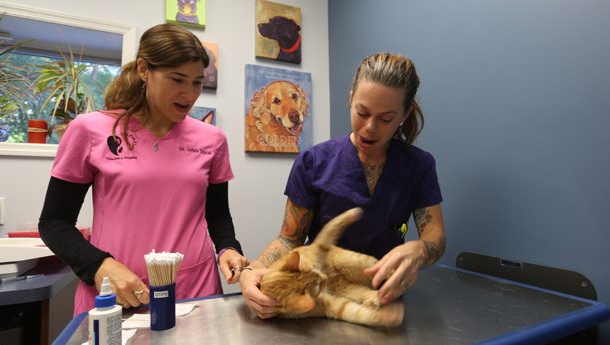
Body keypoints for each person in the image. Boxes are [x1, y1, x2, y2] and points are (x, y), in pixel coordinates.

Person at [38, 23, 247, 316]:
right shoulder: (90, 130)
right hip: (118, 293)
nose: (189, 94)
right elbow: (54, 222)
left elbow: (217, 213)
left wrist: (228, 248)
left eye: (197, 82)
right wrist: (100, 265)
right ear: (144, 70)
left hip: (195, 292)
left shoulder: (212, 139)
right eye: (177, 80)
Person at [239, 52, 446, 319]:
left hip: (382, 299)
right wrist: (251, 272)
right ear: (350, 98)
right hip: (319, 301)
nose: (370, 127)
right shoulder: (313, 162)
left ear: (404, 114)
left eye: (385, 119)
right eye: (362, 112)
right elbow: (288, 239)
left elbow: (435, 237)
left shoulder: (419, 165)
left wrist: (419, 250)